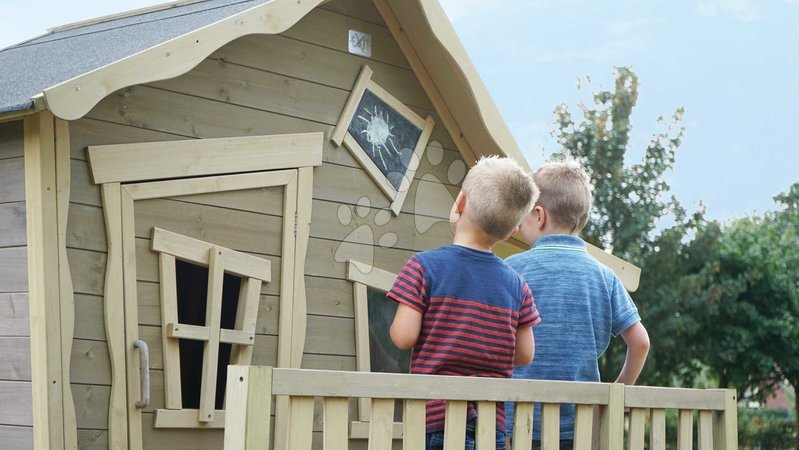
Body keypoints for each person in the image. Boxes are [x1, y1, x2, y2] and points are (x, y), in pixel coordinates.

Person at [387, 156, 541, 450]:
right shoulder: (517, 286)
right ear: (512, 231)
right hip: (489, 422)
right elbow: (524, 354)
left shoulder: (423, 267)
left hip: (433, 418)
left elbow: (403, 337)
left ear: (459, 203)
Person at [504, 161, 650, 450]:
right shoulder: (604, 277)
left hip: (519, 421)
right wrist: (619, 391)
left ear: (538, 215)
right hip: (581, 424)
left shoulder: (511, 270)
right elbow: (641, 343)